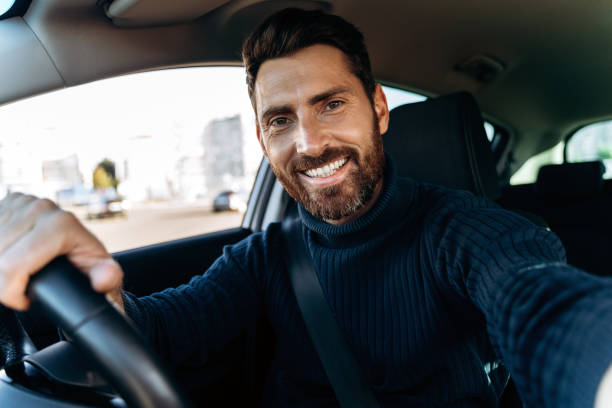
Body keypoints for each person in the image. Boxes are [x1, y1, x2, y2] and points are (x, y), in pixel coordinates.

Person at [0, 7, 611, 407]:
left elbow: (542, 306)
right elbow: (159, 329)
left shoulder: (469, 234)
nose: (310, 142)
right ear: (263, 139)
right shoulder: (265, 257)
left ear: (377, 108)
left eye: (331, 104)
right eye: (281, 119)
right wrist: (90, 291)